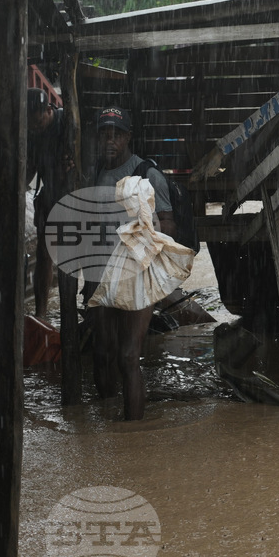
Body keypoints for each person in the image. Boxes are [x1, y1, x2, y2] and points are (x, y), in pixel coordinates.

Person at [88, 106, 176, 420]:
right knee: (102, 352)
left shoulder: (147, 175)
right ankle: (108, 423)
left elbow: (167, 223)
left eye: (117, 134)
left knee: (127, 356)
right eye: (104, 134)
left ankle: (133, 436)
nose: (110, 141)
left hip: (138, 272)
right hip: (101, 272)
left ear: (128, 138)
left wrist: (144, 254)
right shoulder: (92, 171)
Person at [26, 88, 73, 318]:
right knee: (43, 253)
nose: (35, 128)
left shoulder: (67, 121)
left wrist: (74, 159)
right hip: (50, 194)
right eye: (31, 125)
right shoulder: (31, 132)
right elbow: (29, 169)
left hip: (75, 192)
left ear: (48, 110)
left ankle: (71, 312)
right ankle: (41, 314)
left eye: (38, 123)